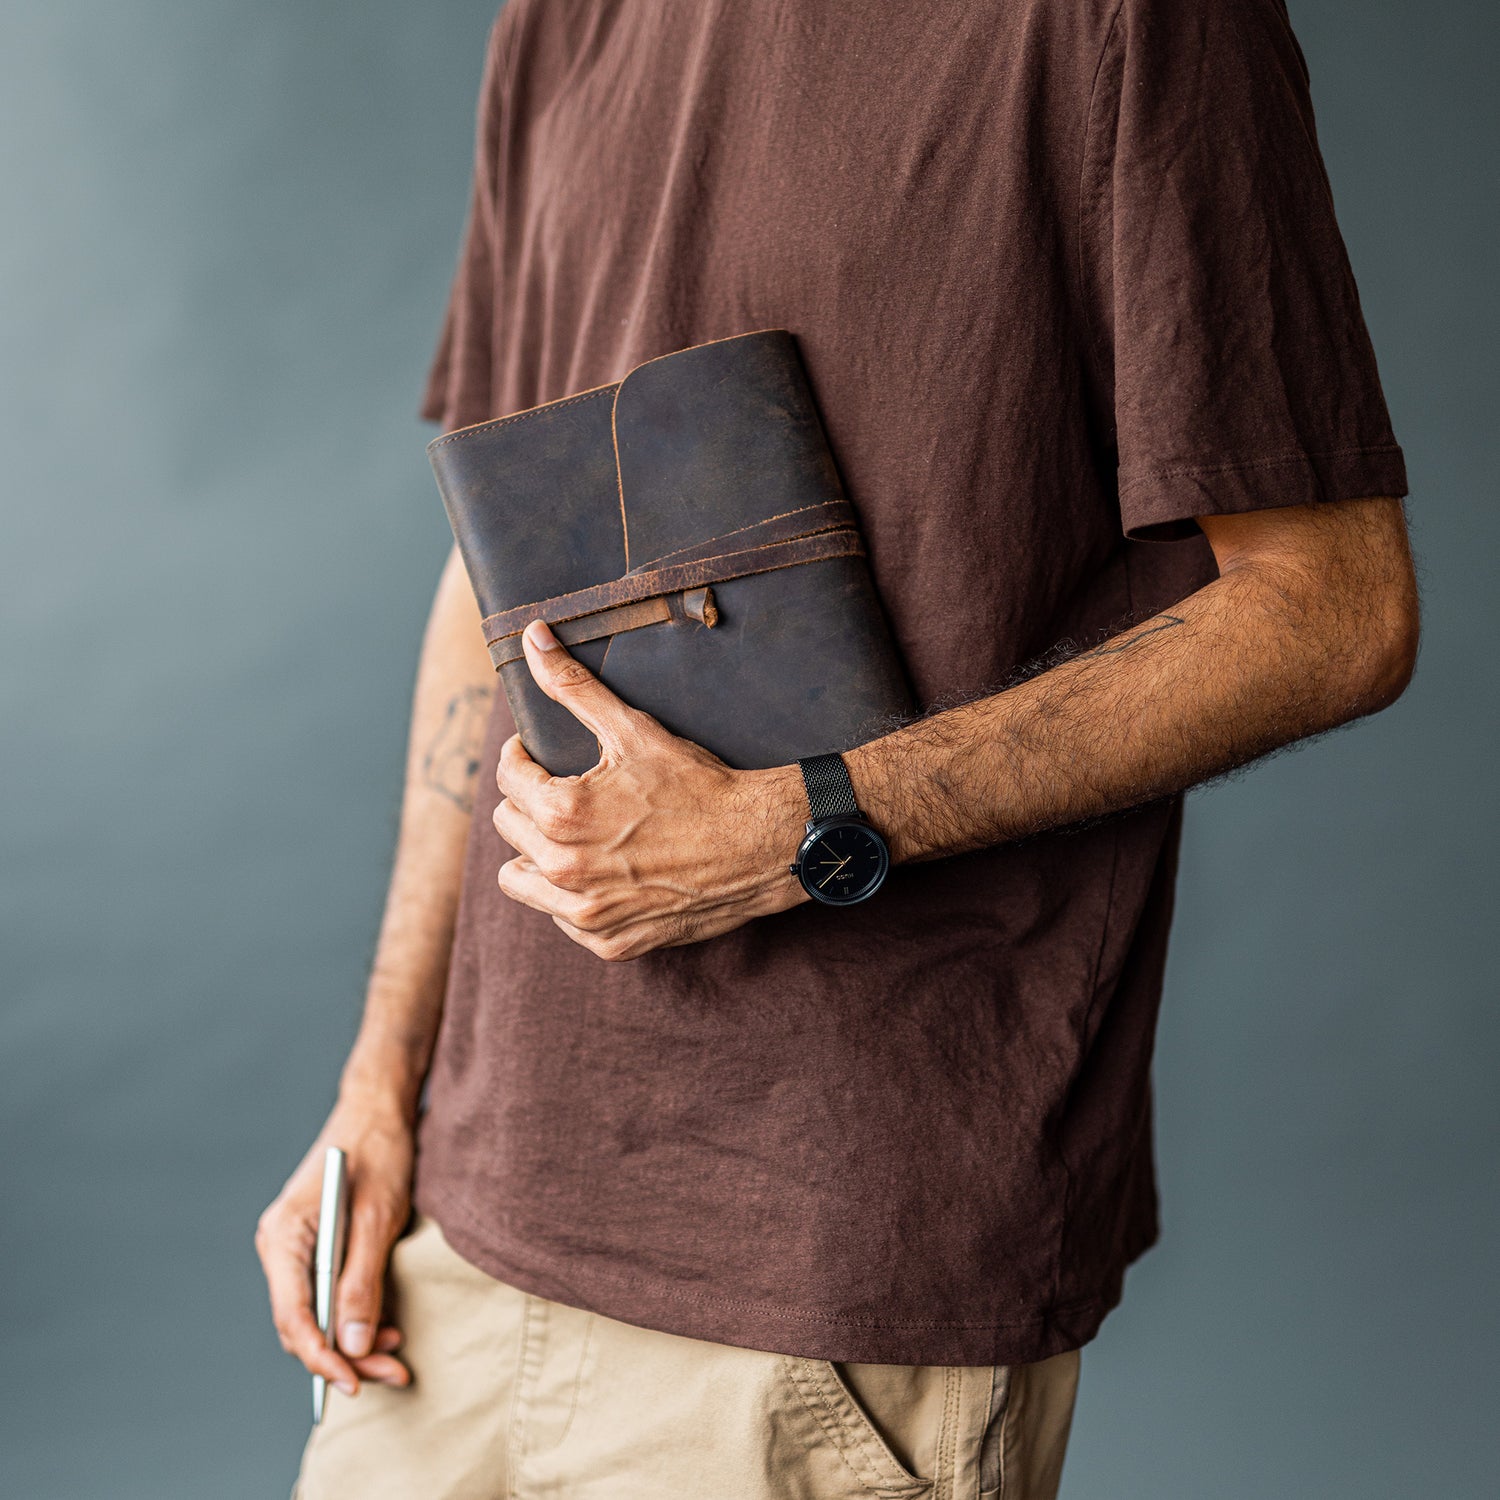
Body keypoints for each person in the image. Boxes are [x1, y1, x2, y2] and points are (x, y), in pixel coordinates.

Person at [257, 1, 1419, 1495]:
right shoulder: (561, 19)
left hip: (832, 1276)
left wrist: (802, 826)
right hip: (464, 1230)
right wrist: (379, 1085)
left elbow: (1336, 610)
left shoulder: (1134, 22)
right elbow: (492, 577)